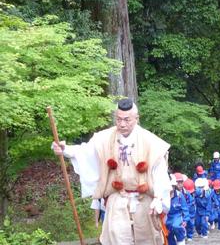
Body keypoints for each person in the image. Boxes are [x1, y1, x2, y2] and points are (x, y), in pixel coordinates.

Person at [52, 98, 172, 245]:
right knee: (116, 237)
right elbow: (85, 152)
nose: (122, 124)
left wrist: (159, 198)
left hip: (144, 200)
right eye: (119, 119)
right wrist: (66, 149)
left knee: (148, 240)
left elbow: (159, 174)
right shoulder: (104, 138)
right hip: (117, 199)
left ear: (136, 118)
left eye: (127, 120)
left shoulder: (152, 142)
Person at [166, 174, 190, 245]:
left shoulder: (179, 195)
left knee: (176, 226)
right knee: (168, 235)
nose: (171, 188)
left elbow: (185, 208)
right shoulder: (163, 196)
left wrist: (186, 219)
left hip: (177, 216)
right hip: (167, 217)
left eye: (172, 186)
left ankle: (181, 240)